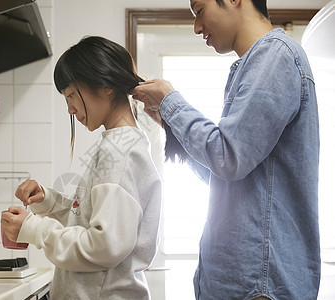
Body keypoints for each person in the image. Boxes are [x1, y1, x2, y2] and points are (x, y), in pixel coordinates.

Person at [131, 0, 320, 299]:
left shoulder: (276, 56)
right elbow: (225, 178)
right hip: (243, 285)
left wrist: (170, 101)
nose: (196, 27)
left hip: (258, 286)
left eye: (200, 10)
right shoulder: (251, 66)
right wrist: (171, 122)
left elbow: (229, 157)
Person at [1, 36, 162, 299]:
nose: (70, 109)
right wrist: (49, 202)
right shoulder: (119, 144)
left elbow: (104, 245)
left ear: (105, 85)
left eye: (72, 95)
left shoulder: (120, 151)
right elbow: (91, 222)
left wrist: (33, 228)